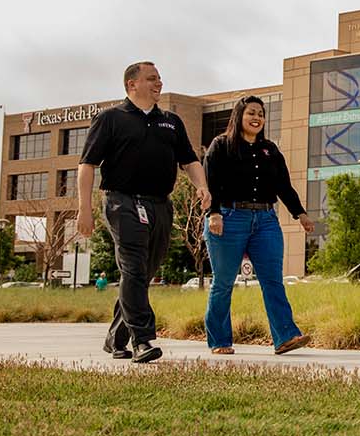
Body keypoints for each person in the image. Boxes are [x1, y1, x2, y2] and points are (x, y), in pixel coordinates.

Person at [75, 61, 211, 363]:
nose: (158, 83)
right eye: (151, 78)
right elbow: (86, 166)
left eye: (160, 78)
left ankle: (115, 338)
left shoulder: (171, 121)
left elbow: (189, 161)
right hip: (122, 201)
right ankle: (143, 340)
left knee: (142, 274)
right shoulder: (110, 118)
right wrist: (84, 208)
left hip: (160, 204)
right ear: (131, 84)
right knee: (133, 269)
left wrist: (202, 186)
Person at [203, 95, 313, 355]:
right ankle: (219, 340)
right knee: (224, 282)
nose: (256, 118)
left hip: (265, 220)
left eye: (261, 114)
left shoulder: (270, 150)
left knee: (273, 280)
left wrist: (301, 214)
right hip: (229, 217)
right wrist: (213, 213)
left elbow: (283, 186)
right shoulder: (221, 146)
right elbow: (211, 183)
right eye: (251, 112)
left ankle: (285, 337)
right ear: (239, 115)